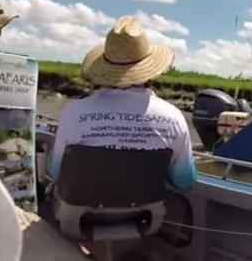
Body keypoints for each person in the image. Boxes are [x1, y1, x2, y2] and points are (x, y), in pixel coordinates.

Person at [47, 16, 196, 191]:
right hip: (146, 215)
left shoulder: (74, 112)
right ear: (151, 72)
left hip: (79, 215)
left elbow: (56, 174)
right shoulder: (174, 117)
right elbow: (184, 181)